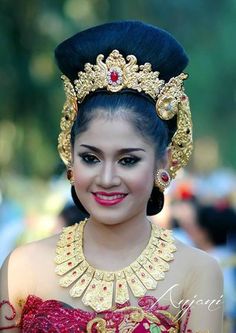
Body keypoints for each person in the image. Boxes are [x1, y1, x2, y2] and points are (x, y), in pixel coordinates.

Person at [0, 21, 223, 332]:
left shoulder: (198, 272)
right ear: (69, 154)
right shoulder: (21, 266)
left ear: (165, 161)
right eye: (90, 158)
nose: (106, 178)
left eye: (128, 160)